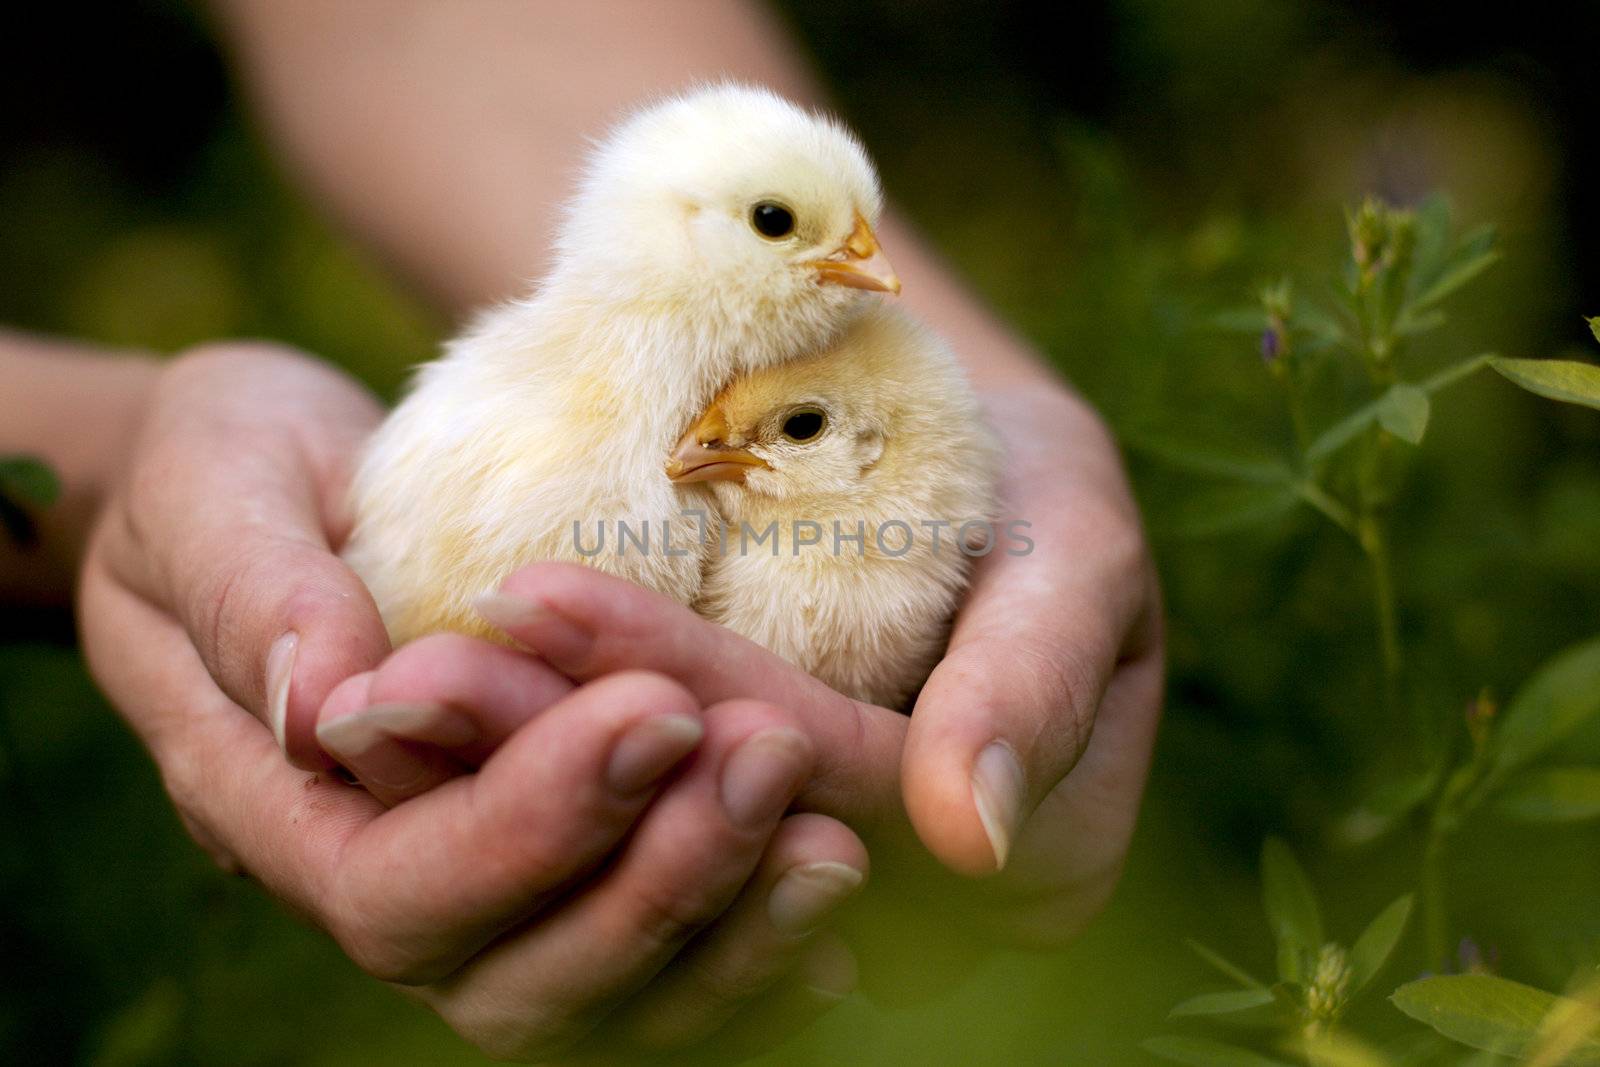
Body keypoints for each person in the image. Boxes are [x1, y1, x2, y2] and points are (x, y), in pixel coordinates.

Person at [0, 2, 1163, 1060]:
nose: (863, 263)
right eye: (778, 224)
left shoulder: (733, 390)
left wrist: (976, 421)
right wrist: (111, 470)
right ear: (683, 231)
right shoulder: (600, 402)